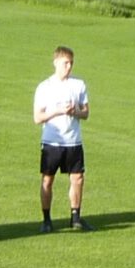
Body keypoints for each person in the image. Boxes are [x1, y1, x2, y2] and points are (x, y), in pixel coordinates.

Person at [33, 47, 90, 233]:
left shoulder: (78, 85)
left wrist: (75, 112)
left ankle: (75, 217)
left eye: (71, 63)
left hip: (73, 141)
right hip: (52, 142)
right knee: (48, 180)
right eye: (66, 63)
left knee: (78, 178)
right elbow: (37, 117)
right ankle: (46, 219)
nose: (69, 66)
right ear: (56, 62)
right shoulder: (45, 87)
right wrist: (58, 111)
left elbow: (86, 112)